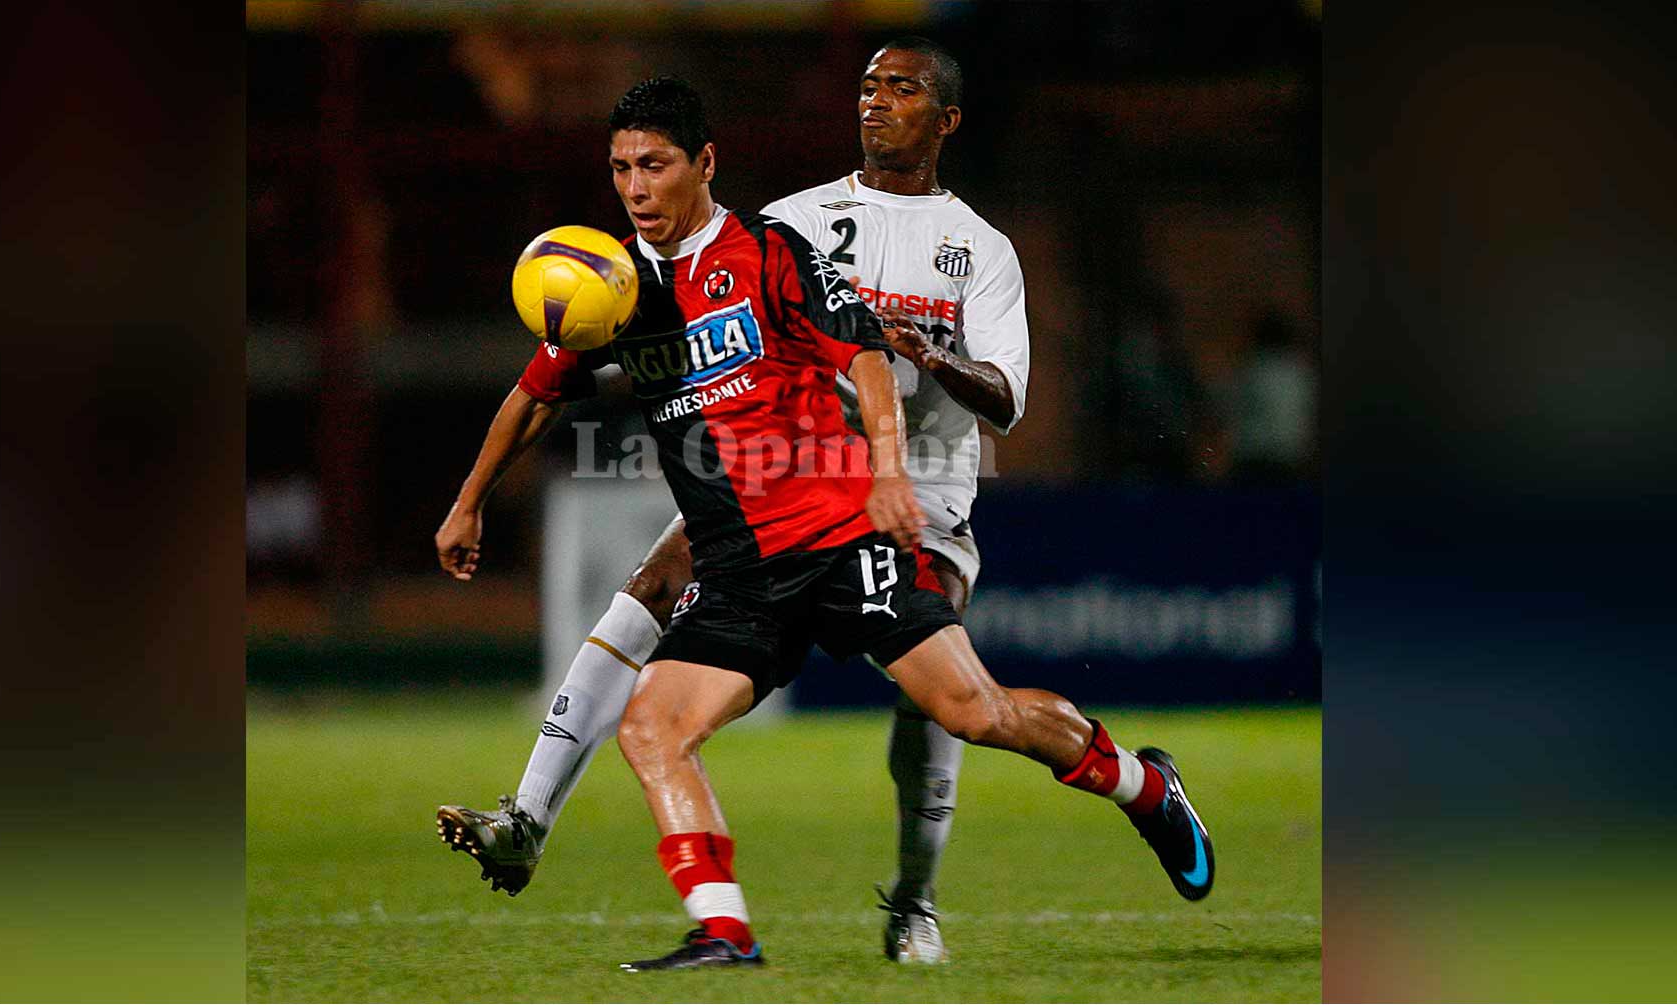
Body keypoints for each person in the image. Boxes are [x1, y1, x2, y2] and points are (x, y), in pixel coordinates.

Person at [437, 75, 1214, 973]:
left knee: (975, 711)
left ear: (705, 165)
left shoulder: (770, 252)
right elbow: (534, 396)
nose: (636, 188)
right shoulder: (610, 286)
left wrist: (887, 470)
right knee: (651, 728)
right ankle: (724, 931)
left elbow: (867, 358)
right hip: (738, 574)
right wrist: (469, 501)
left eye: (654, 165)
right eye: (620, 169)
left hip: (843, 540)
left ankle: (1141, 784)